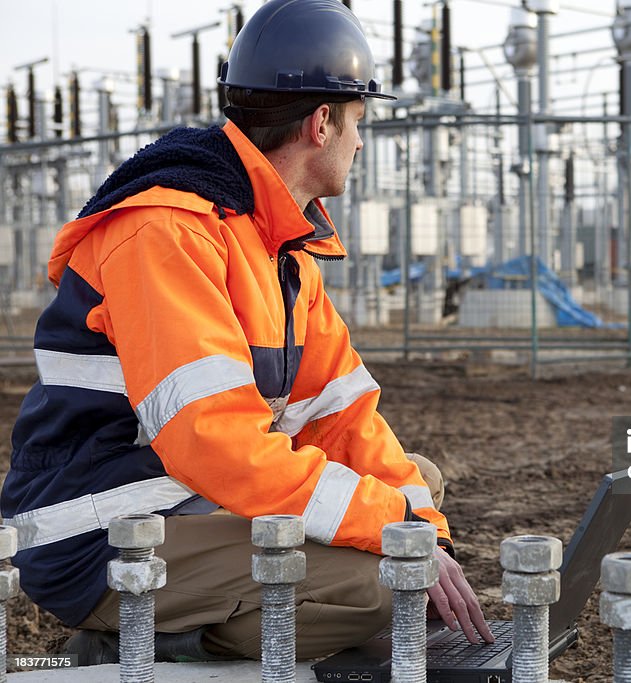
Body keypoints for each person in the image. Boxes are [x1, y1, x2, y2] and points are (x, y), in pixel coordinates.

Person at [1, 0, 493, 662]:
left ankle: (202, 614)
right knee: (381, 584)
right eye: (359, 123)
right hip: (100, 533)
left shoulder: (279, 242)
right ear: (322, 123)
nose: (361, 141)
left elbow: (344, 418)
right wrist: (398, 544)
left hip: (184, 502)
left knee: (417, 488)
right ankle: (133, 637)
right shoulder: (167, 231)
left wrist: (421, 530)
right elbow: (218, 442)